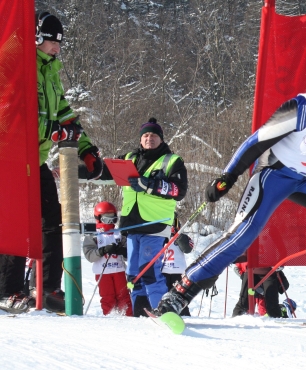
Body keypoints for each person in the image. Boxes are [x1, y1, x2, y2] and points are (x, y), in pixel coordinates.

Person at [155, 49, 306, 328]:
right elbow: (256, 141)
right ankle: (180, 292)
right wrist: (228, 177)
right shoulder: (304, 109)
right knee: (241, 237)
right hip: (273, 174)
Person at [0, 12, 103, 314]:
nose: (56, 46)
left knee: (51, 219)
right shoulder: (16, 64)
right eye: (50, 39)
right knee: (15, 223)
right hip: (11, 157)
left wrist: (86, 149)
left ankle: (46, 287)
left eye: (60, 41)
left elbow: (63, 112)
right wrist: (53, 131)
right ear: (34, 37)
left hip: (36, 158)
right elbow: (12, 113)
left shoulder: (50, 71)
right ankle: (7, 289)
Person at [120, 118, 188, 312]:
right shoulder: (130, 157)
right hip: (133, 224)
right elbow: (106, 171)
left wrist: (149, 185)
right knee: (134, 273)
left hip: (155, 224)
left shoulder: (172, 160)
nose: (149, 138)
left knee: (148, 269)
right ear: (141, 139)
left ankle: (161, 309)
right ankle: (139, 309)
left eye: (154, 135)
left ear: (161, 139)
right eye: (146, 135)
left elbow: (179, 190)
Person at [82, 202, 132, 316]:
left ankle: (128, 317)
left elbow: (129, 253)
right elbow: (89, 255)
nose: (110, 223)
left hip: (119, 270)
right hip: (103, 273)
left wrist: (122, 250)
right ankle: (110, 318)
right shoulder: (93, 235)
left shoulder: (118, 234)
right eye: (107, 219)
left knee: (124, 296)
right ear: (99, 218)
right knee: (108, 297)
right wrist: (102, 251)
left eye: (113, 220)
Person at [160, 216, 194, 316]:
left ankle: (184, 315)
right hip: (163, 272)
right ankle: (163, 313)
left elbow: (188, 248)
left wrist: (178, 236)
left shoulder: (181, 237)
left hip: (178, 273)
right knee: (163, 296)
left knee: (178, 296)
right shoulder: (161, 238)